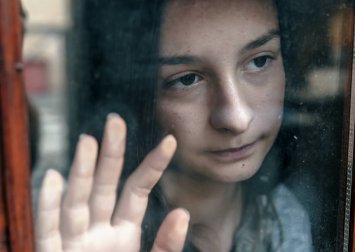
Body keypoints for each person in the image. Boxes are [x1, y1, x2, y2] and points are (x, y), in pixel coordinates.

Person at [35, 0, 313, 251]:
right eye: (187, 80)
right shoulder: (75, 226)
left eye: (259, 61)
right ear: (140, 97)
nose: (236, 118)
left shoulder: (284, 217)